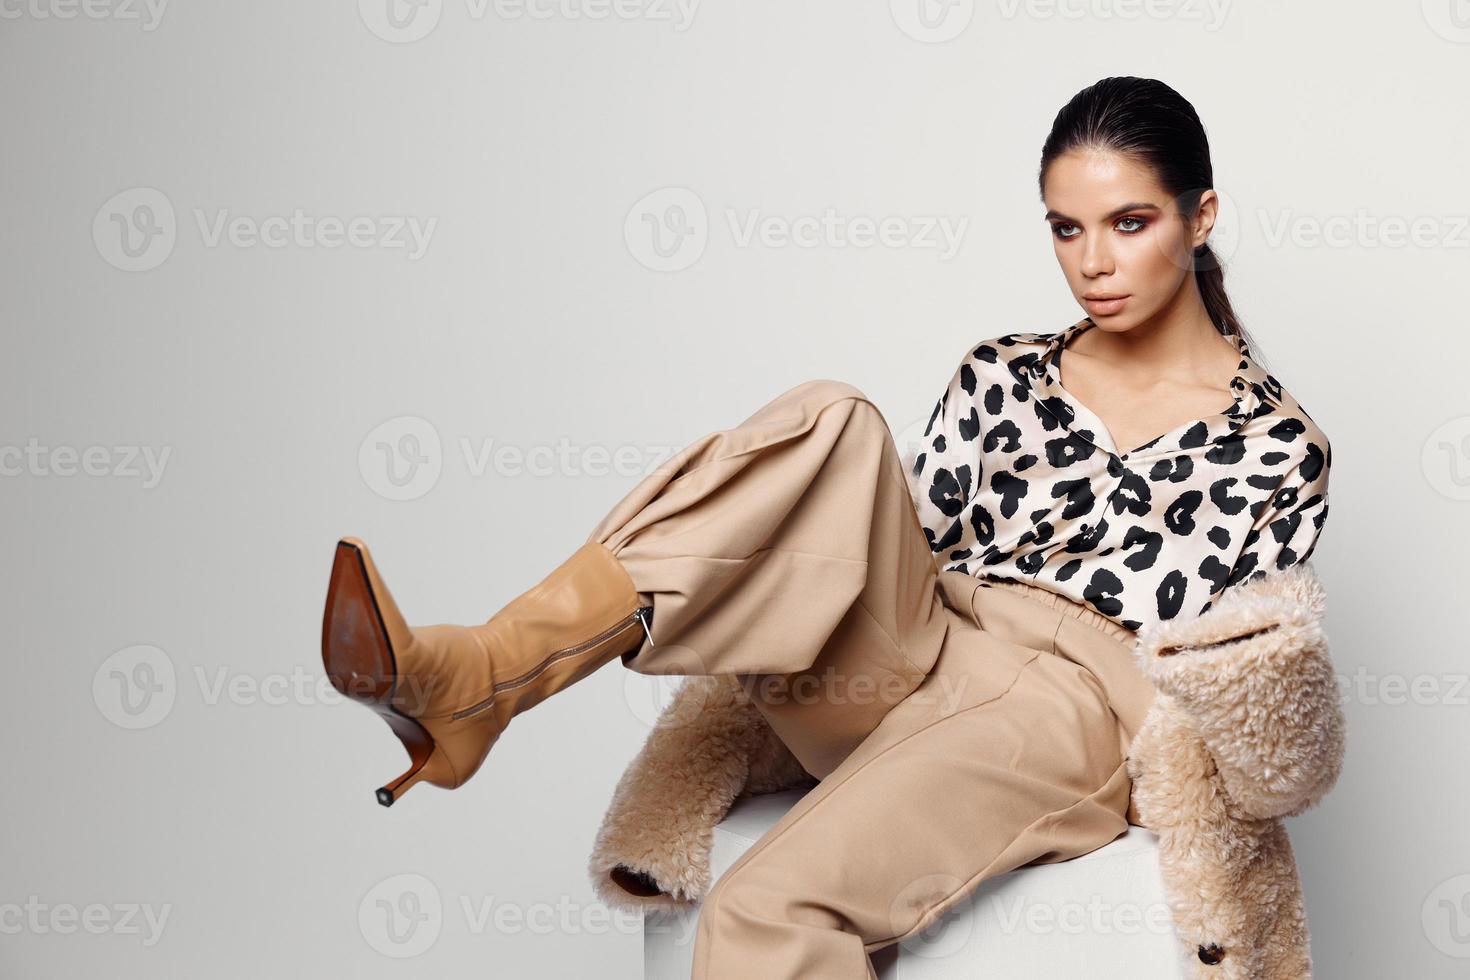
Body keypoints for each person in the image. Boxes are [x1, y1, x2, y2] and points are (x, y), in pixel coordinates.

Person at [319, 75, 1331, 978]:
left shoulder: (1279, 444)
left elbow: (1242, 689)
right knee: (834, 416)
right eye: (1066, 228)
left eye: (1129, 222)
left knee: (763, 907)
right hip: (923, 644)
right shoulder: (1002, 372)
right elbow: (891, 534)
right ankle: (482, 676)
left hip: (1072, 703)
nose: (1093, 261)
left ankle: (480, 687)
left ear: (1200, 218)